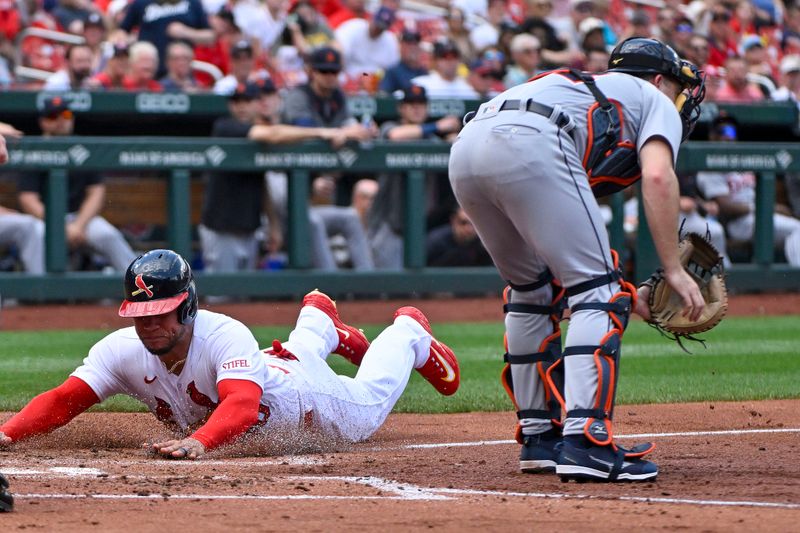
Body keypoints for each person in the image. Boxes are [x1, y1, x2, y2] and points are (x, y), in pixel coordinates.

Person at [448, 37, 707, 482]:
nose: (681, 99)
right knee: (598, 294)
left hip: (468, 145)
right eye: (678, 87)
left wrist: (622, 290)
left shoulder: (583, 88)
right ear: (661, 80)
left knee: (533, 291)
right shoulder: (651, 97)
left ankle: (540, 438)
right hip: (532, 141)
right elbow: (660, 177)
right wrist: (673, 269)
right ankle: (586, 442)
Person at [0, 249, 460, 460]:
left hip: (308, 400)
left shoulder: (223, 332)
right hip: (271, 366)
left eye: (162, 313)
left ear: (189, 306)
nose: (150, 324)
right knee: (291, 355)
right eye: (141, 315)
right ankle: (319, 322)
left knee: (372, 396)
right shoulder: (120, 350)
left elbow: (240, 405)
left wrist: (198, 442)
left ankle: (408, 332)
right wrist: (7, 435)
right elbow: (64, 399)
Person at [16, 96, 137, 272]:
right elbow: (28, 199)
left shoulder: (83, 148)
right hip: (44, 220)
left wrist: (78, 225)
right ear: (43, 122)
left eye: (65, 115)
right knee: (36, 234)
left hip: (80, 218)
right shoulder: (35, 149)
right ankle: (40, 295)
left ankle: (142, 286)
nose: (60, 121)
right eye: (53, 116)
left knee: (107, 235)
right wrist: (59, 225)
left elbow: (96, 192)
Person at [369, 84, 462, 269]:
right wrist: (438, 126)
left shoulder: (432, 139)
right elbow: (395, 135)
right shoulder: (390, 127)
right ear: (401, 108)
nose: (416, 107)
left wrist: (455, 139)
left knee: (416, 291)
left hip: (422, 229)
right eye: (411, 103)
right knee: (387, 289)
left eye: (420, 103)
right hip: (389, 226)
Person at [696, 114, 800, 266]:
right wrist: (766, 209)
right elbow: (725, 207)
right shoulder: (708, 168)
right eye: (722, 132)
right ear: (712, 135)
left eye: (731, 132)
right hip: (737, 223)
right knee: (795, 228)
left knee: (795, 228)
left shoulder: (743, 161)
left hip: (757, 217)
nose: (728, 137)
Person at [426, 206, 493, 267]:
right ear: (453, 221)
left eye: (474, 223)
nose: (469, 229)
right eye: (463, 223)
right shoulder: (436, 242)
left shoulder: (483, 244)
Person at [378, 29, 427, 94]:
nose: (412, 48)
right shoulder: (392, 72)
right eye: (408, 44)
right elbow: (384, 98)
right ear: (401, 47)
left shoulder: (424, 72)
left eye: (415, 44)